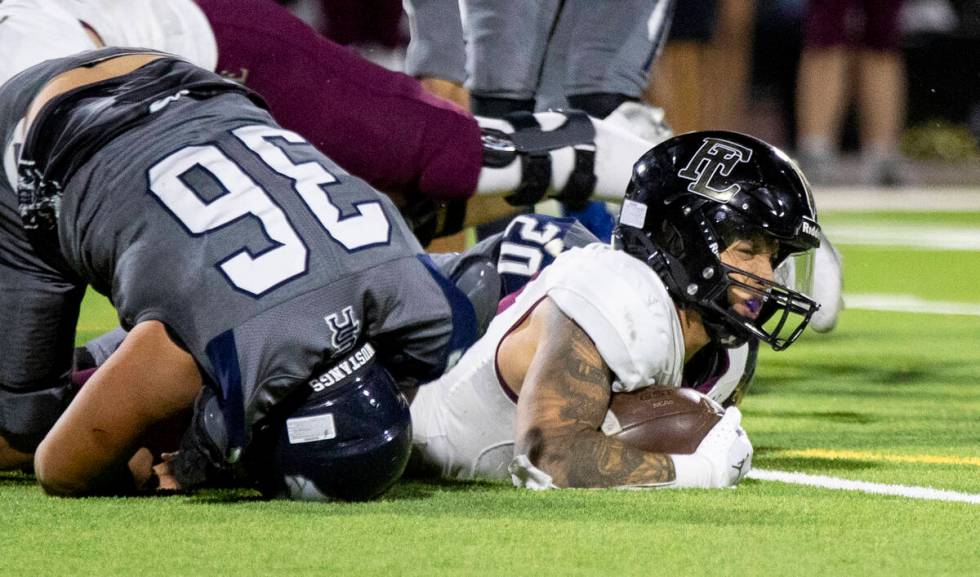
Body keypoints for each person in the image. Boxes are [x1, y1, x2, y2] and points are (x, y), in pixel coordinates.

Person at [0, 48, 479, 499]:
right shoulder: (204, 354)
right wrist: (153, 467)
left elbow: (476, 279)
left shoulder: (421, 303)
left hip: (193, 83)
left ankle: (103, 356)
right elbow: (59, 467)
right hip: (37, 134)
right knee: (21, 431)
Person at [0, 0, 656, 246]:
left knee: (442, 150)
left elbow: (78, 83)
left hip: (227, 53)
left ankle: (672, 170)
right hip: (147, 124)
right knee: (380, 219)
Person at [408, 131, 823, 488]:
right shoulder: (616, 296)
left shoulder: (729, 353)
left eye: (774, 257)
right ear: (681, 243)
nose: (766, 277)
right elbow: (549, 458)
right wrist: (702, 471)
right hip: (407, 420)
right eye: (748, 250)